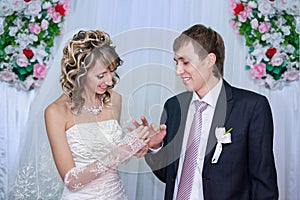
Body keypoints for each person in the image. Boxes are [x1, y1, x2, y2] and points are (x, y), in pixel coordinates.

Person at [135, 24, 279, 199]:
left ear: (210, 60)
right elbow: (170, 176)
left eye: (185, 62)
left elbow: (263, 183)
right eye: (176, 62)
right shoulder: (173, 107)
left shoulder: (252, 107)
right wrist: (156, 148)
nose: (178, 71)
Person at [44, 30, 149, 200]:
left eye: (112, 72)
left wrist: (135, 147)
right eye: (101, 75)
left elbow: (113, 158)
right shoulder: (56, 112)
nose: (109, 81)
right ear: (80, 74)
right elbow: (71, 181)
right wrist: (122, 151)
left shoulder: (114, 99)